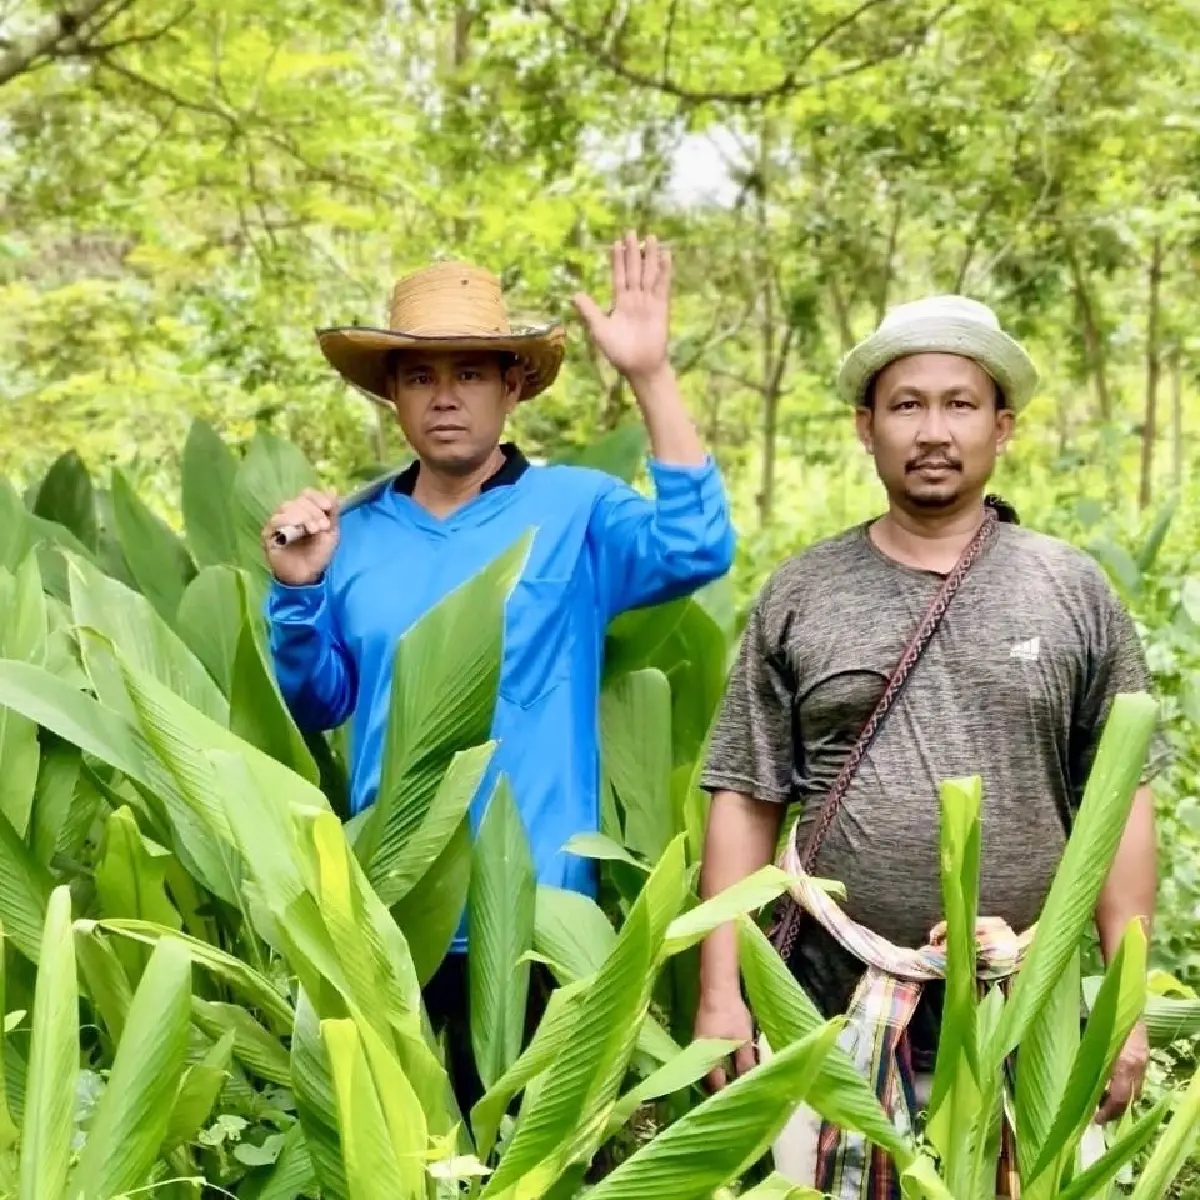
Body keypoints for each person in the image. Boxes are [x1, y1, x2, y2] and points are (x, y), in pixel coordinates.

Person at [693, 295, 1158, 1192]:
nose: (933, 431)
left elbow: (1120, 802)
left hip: (1031, 1011)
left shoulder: (1072, 590)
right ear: (866, 427)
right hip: (829, 1010)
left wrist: (1124, 1006)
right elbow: (745, 797)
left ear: (1002, 426)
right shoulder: (803, 593)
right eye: (906, 405)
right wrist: (722, 991)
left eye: (960, 404)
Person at [262, 231, 736, 1109]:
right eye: (419, 376)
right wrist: (298, 591)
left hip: (534, 913)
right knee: (407, 1153)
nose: (445, 397)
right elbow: (320, 702)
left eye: (471, 373)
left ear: (512, 385)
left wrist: (650, 374)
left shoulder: (574, 508)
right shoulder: (353, 532)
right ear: (393, 395)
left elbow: (696, 546)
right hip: (396, 906)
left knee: (528, 1152)